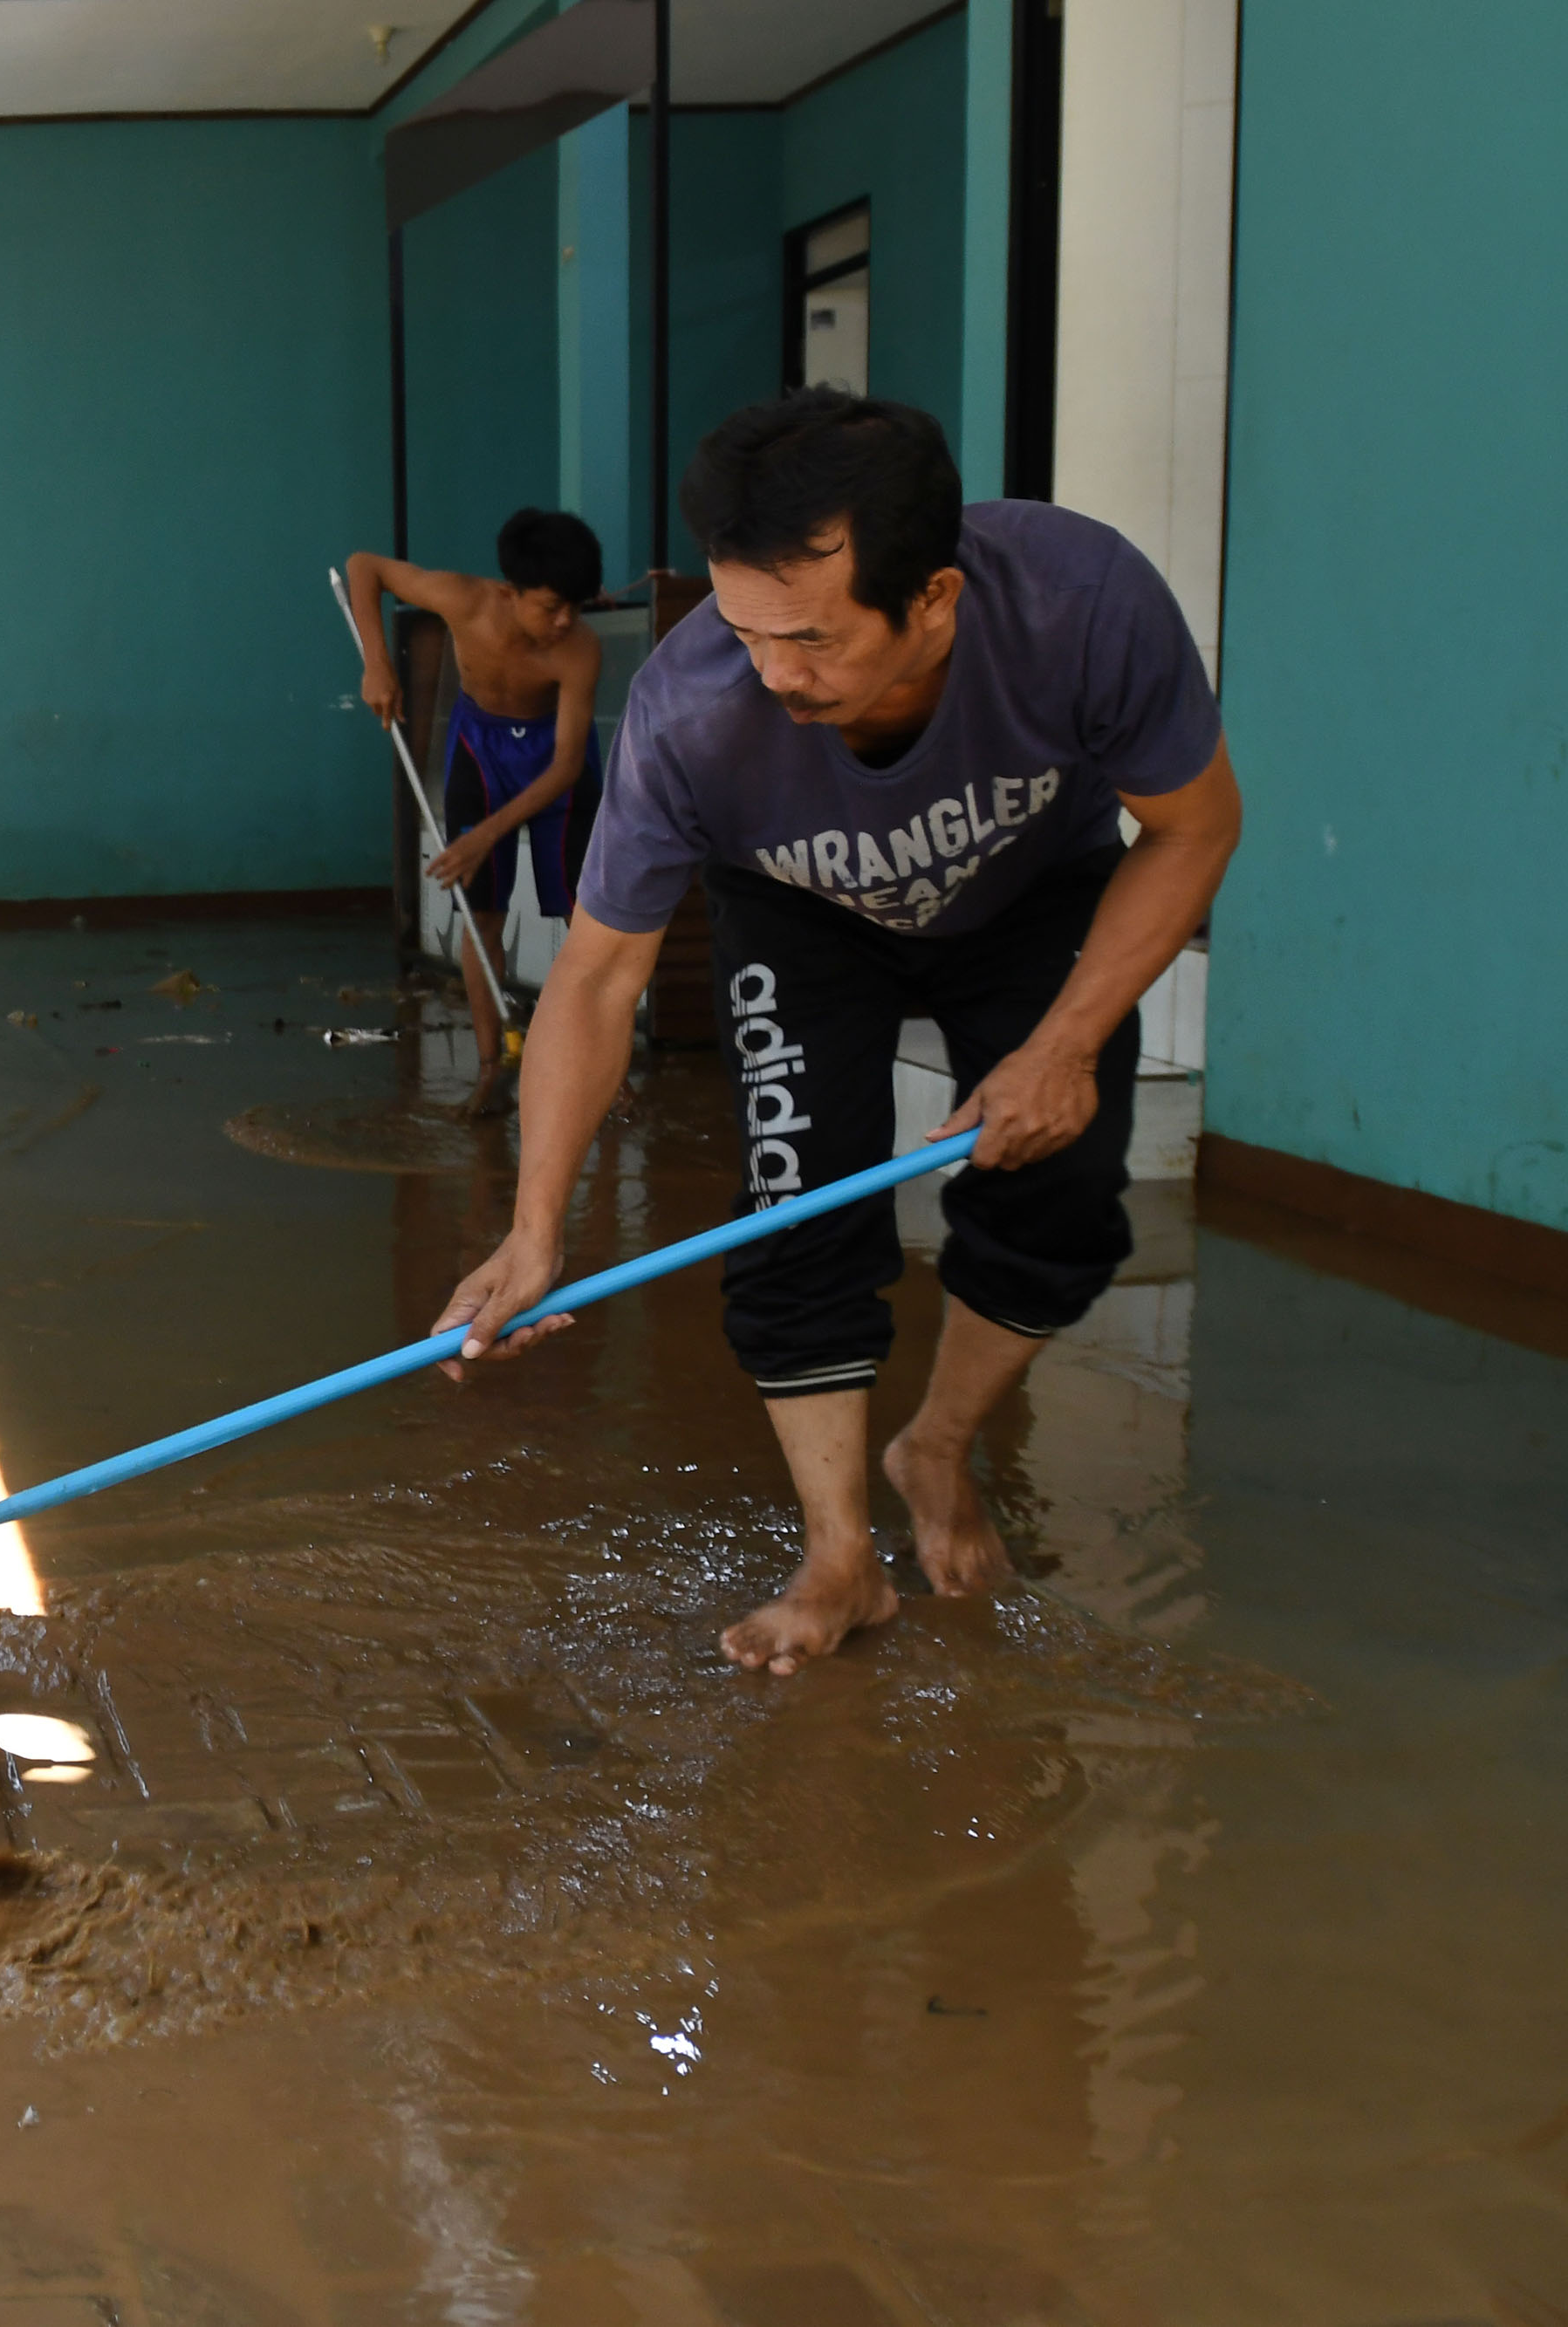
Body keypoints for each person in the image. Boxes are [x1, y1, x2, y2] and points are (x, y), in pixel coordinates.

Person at [429, 390, 1243, 1674]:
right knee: (795, 1213)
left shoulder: (1081, 605)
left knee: (1061, 1194)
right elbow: (593, 980)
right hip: (799, 910)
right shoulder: (695, 710)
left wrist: (1064, 1041)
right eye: (744, 629)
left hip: (1037, 895)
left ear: (934, 597)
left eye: (809, 637)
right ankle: (840, 1556)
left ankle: (938, 1442)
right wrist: (538, 1225)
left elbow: (1194, 826)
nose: (772, 672)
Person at [347, 509, 608, 1115]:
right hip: (480, 750)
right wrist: (376, 662)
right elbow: (366, 568)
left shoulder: (578, 651)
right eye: (549, 607)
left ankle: (601, 1069)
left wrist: (485, 835)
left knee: (586, 924)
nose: (563, 621)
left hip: (555, 767)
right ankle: (493, 1067)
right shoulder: (462, 599)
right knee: (482, 917)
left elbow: (567, 766)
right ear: (507, 591)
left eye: (575, 606)